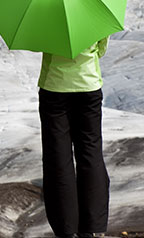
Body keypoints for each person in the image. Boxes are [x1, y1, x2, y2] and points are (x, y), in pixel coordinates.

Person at [38, 37, 110, 238]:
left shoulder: (46, 10)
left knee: (58, 158)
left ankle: (66, 230)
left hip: (54, 88)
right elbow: (101, 50)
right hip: (89, 86)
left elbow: (41, 44)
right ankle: (91, 227)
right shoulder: (95, 9)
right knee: (91, 153)